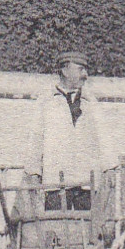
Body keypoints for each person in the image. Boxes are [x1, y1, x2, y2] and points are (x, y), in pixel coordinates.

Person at [27, 49, 109, 211]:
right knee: (55, 228)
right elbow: (36, 138)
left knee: (87, 230)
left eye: (85, 69)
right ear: (64, 70)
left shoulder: (90, 102)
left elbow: (103, 137)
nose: (85, 74)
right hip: (56, 182)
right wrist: (33, 172)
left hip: (86, 181)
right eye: (80, 69)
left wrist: (109, 168)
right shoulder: (46, 101)